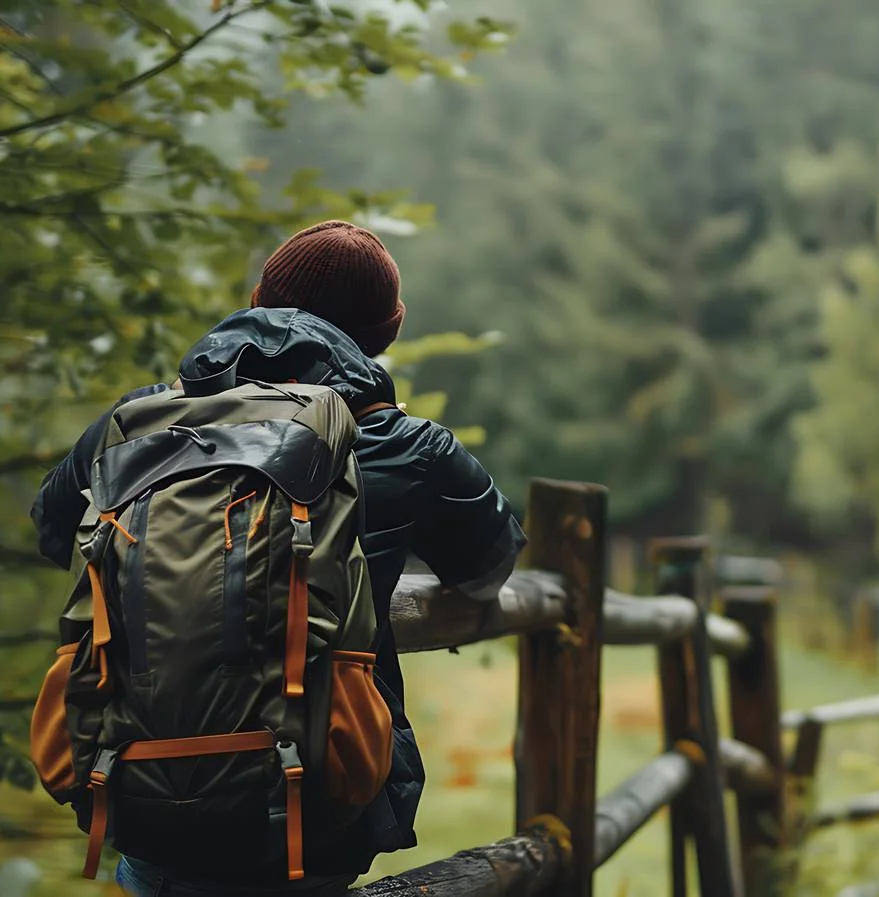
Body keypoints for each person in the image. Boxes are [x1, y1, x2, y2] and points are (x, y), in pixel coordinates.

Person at [30, 220, 527, 896]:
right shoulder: (407, 444)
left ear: (257, 299)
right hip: (309, 805)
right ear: (386, 332)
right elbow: (490, 567)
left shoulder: (139, 422)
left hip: (136, 788)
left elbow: (51, 527)